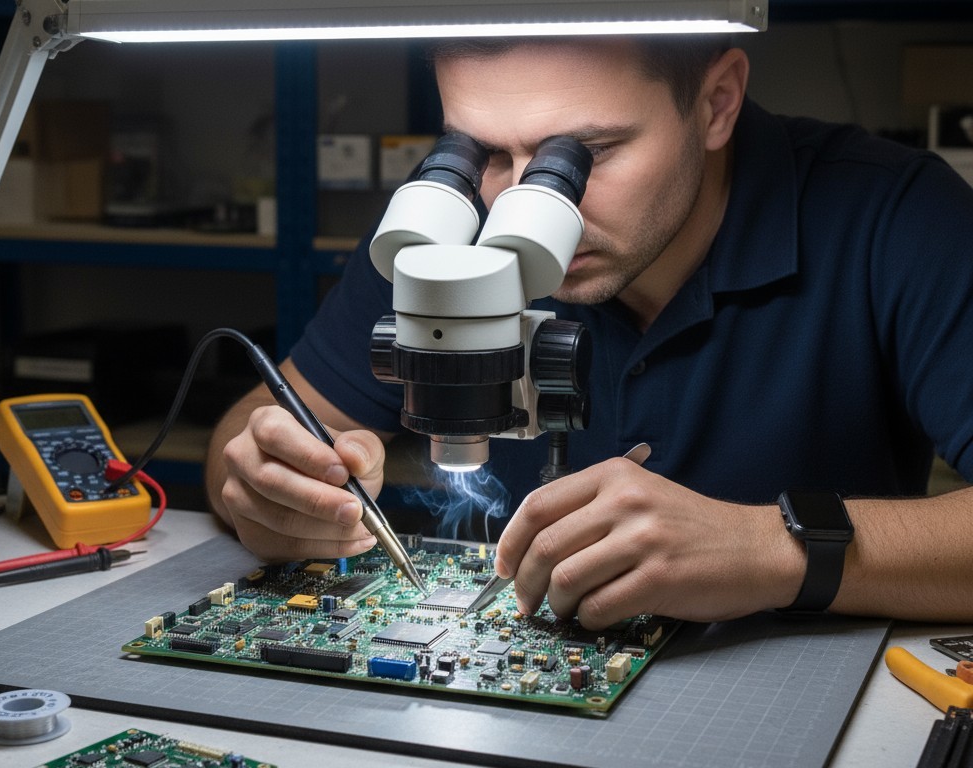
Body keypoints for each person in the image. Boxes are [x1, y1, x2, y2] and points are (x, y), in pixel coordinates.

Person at [205, 35, 973, 630]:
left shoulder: (897, 218)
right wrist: (268, 489)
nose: (522, 208)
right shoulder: (446, 227)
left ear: (717, 102)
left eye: (581, 156)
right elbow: (252, 433)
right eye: (482, 152)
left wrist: (772, 548)